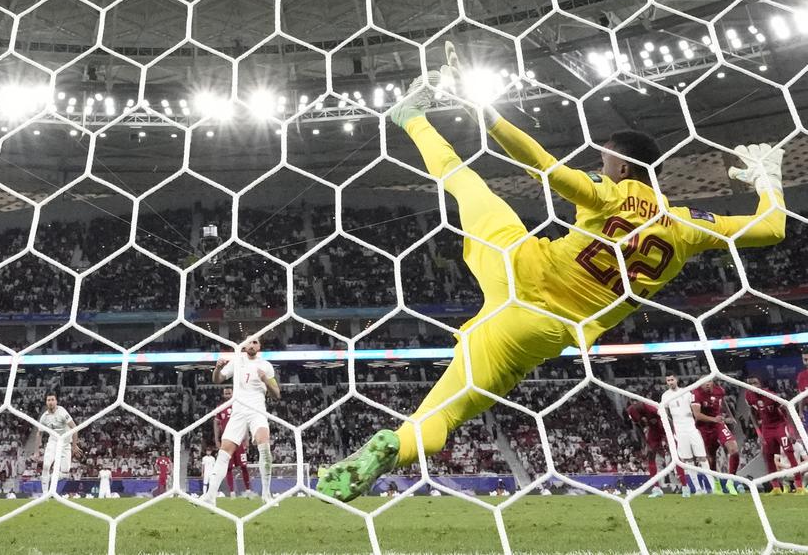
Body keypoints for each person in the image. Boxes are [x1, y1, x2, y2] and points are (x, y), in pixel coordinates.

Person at [317, 42, 787, 502]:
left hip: (518, 270)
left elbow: (541, 164)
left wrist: (485, 111)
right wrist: (768, 181)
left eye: (603, 157)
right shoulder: (687, 226)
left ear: (621, 164)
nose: (599, 160)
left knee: (465, 184)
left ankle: (410, 116)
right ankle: (397, 445)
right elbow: (772, 228)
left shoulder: (610, 193)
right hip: (545, 333)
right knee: (447, 414)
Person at [199, 338, 279, 506]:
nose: (252, 345)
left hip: (257, 410)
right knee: (223, 453)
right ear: (244, 345)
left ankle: (266, 495)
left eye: (256, 342)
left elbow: (277, 394)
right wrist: (217, 368)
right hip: (238, 411)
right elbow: (218, 379)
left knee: (264, 447)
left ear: (259, 346)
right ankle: (210, 496)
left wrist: (265, 380)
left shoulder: (266, 365)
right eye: (249, 342)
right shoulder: (237, 362)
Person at [744, 375, 804, 494]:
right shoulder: (748, 396)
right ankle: (776, 487)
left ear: (760, 384)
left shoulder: (770, 395)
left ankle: (799, 487)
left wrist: (791, 430)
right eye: (750, 384)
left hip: (779, 425)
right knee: (768, 456)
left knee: (789, 453)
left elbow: (787, 410)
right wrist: (758, 432)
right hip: (766, 428)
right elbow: (751, 412)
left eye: (755, 383)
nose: (753, 386)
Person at [692, 377, 740, 494]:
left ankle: (731, 480)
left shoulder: (719, 390)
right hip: (704, 428)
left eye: (709, 381)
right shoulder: (696, 393)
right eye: (704, 382)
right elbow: (697, 415)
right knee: (711, 457)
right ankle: (716, 482)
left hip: (718, 425)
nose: (707, 384)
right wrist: (714, 419)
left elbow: (722, 402)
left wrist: (730, 415)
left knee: (734, 449)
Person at [34, 392, 80, 495]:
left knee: (65, 472)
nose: (50, 402)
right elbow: (39, 433)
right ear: (46, 402)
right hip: (53, 441)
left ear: (56, 401)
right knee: (46, 465)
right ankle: (45, 493)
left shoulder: (62, 412)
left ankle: (49, 478)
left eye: (52, 400)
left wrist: (74, 445)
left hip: (65, 443)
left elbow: (75, 428)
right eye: (48, 400)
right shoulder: (44, 417)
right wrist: (36, 451)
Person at [625, 398, 673, 496]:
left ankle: (685, 486)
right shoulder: (631, 410)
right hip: (653, 431)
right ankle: (656, 488)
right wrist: (646, 442)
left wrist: (668, 437)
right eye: (632, 402)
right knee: (651, 457)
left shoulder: (651, 407)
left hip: (664, 427)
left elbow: (667, 420)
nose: (634, 404)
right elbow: (638, 426)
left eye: (636, 401)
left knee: (674, 457)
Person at [213, 387, 251, 496]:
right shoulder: (220, 408)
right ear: (223, 394)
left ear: (233, 393)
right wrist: (217, 440)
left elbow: (245, 422)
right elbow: (216, 424)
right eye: (226, 393)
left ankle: (248, 490)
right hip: (226, 440)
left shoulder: (239, 405)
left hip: (238, 440)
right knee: (228, 468)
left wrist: (246, 439)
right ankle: (232, 492)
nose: (227, 395)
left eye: (229, 393)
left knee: (244, 466)